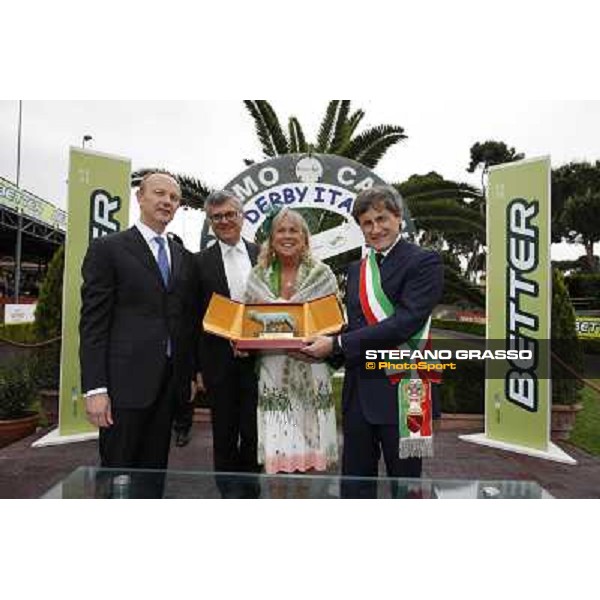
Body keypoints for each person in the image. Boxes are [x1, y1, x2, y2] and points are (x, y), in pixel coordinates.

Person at [302, 186, 444, 497]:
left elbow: (404, 323)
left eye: (382, 219)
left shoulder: (425, 262)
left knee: (408, 488)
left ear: (398, 218)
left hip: (412, 390)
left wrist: (337, 345)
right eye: (367, 223)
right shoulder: (357, 269)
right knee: (355, 487)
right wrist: (318, 348)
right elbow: (355, 327)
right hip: (359, 395)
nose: (376, 229)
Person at [80, 172, 197, 497]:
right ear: (140, 198)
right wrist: (95, 388)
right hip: (123, 387)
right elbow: (93, 324)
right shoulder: (108, 249)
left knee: (153, 475)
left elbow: (184, 320)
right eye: (159, 193)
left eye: (173, 198)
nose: (167, 202)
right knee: (117, 476)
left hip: (167, 386)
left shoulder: (181, 256)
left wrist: (187, 374)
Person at [244, 207, 339, 475]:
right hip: (272, 373)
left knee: (310, 459)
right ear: (271, 239)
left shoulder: (323, 275)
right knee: (278, 457)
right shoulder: (256, 276)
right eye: (280, 230)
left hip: (313, 369)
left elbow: (333, 322)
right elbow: (248, 322)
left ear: (305, 238)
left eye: (293, 230)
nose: (287, 236)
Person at [194, 190, 260, 496]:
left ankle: (251, 491)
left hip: (262, 361)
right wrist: (196, 369)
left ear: (241, 215)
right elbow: (192, 317)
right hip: (218, 362)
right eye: (217, 217)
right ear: (210, 222)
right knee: (223, 434)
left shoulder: (263, 256)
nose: (224, 221)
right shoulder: (198, 263)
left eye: (230, 214)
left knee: (254, 432)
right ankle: (228, 495)